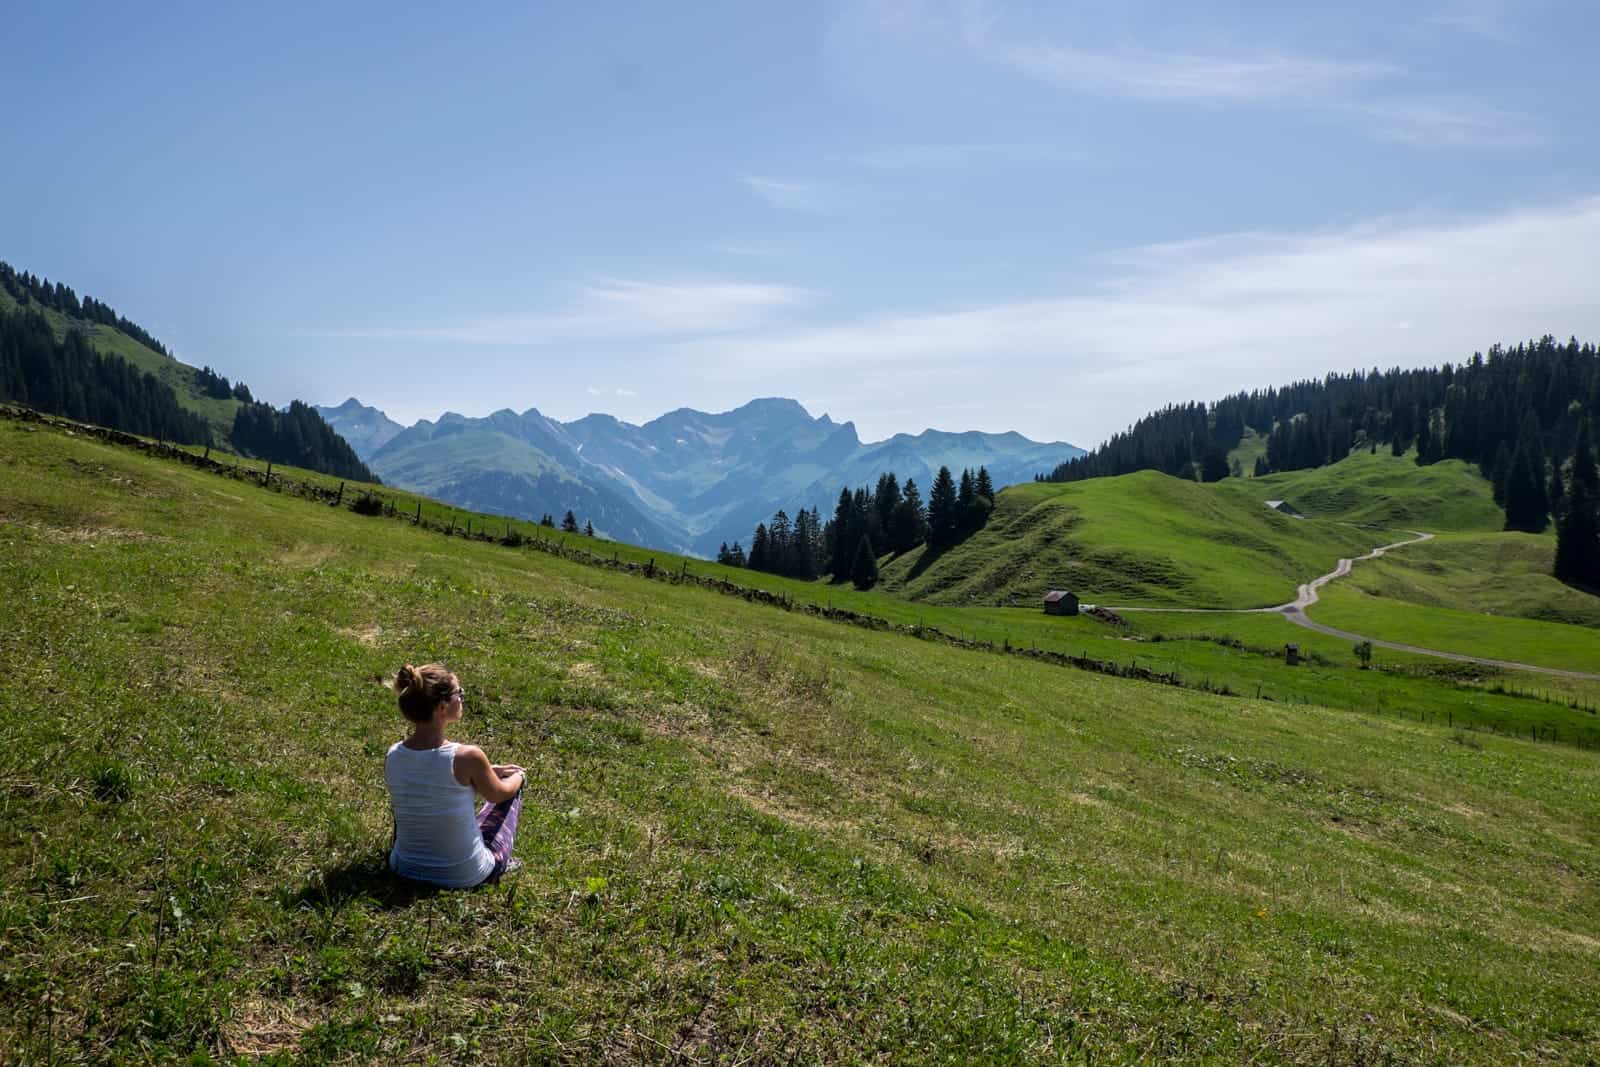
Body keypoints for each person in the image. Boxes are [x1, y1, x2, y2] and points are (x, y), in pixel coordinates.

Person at [385, 663, 525, 888]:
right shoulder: (467, 756)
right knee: (510, 793)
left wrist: (487, 771)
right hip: (465, 875)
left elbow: (435, 781)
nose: (461, 698)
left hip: (403, 868)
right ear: (441, 707)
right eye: (458, 693)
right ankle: (501, 863)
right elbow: (499, 794)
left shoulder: (393, 754)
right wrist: (519, 777)